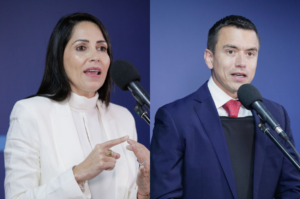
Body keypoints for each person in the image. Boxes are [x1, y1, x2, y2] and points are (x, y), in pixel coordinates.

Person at [151, 15, 300, 199]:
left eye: (250, 53)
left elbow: (292, 188)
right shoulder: (175, 118)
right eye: (231, 51)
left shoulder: (276, 115)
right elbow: (165, 195)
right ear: (209, 58)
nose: (242, 63)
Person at [4, 13, 150, 199]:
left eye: (101, 48)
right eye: (81, 47)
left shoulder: (123, 117)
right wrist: (77, 174)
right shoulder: (30, 112)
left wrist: (144, 193)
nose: (95, 56)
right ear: (59, 57)